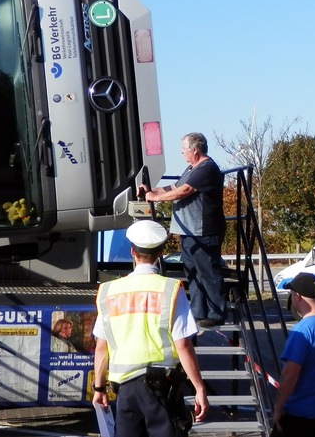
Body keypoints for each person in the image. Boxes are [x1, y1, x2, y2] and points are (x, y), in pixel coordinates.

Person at [91, 220, 209, 437]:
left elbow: (101, 347)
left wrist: (99, 389)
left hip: (125, 390)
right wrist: (199, 388)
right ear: (161, 252)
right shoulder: (170, 289)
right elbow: (183, 344)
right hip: (161, 389)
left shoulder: (109, 291)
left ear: (132, 252)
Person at [139, 132, 226, 327]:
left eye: (184, 149)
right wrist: (151, 190)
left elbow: (185, 190)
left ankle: (217, 312)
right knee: (193, 272)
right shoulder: (191, 168)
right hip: (188, 232)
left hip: (203, 231)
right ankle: (199, 311)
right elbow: (175, 186)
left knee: (208, 271)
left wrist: (157, 199)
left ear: (195, 150)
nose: (182, 153)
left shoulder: (207, 168)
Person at [272, 273, 315, 437]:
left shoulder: (301, 331)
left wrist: (278, 406)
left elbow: (290, 374)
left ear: (298, 297)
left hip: (300, 414)